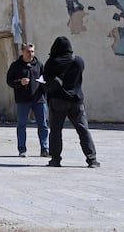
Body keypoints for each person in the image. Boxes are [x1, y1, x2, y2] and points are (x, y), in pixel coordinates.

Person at [42, 36, 100, 168]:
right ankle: (92, 159)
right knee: (83, 130)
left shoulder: (52, 62)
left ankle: (55, 160)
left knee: (56, 131)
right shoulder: (78, 61)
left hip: (57, 101)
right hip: (76, 101)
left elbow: (45, 80)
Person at [6, 42, 49, 158]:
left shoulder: (39, 64)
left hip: (38, 99)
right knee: (21, 125)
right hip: (22, 100)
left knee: (43, 125)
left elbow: (45, 79)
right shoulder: (15, 66)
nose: (31, 54)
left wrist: (45, 89)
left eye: (32, 51)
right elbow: (9, 81)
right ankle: (22, 149)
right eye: (28, 52)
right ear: (22, 52)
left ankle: (45, 149)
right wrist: (20, 82)